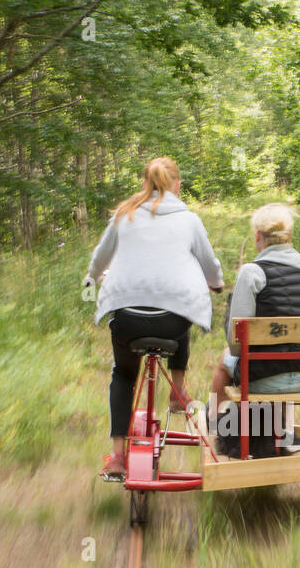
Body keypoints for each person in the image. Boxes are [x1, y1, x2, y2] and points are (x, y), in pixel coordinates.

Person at [84, 157, 223, 480]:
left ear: (144, 183)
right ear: (177, 185)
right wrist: (215, 284)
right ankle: (177, 393)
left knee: (122, 374)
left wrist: (93, 276)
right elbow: (209, 264)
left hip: (128, 319)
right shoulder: (189, 220)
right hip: (171, 324)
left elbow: (99, 258)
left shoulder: (125, 215)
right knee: (183, 310)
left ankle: (117, 457)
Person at [209, 203, 300, 456]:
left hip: (263, 378)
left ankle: (213, 424)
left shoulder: (252, 272)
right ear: (288, 236)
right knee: (289, 356)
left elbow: (235, 342)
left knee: (223, 361)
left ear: (258, 236)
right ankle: (282, 431)